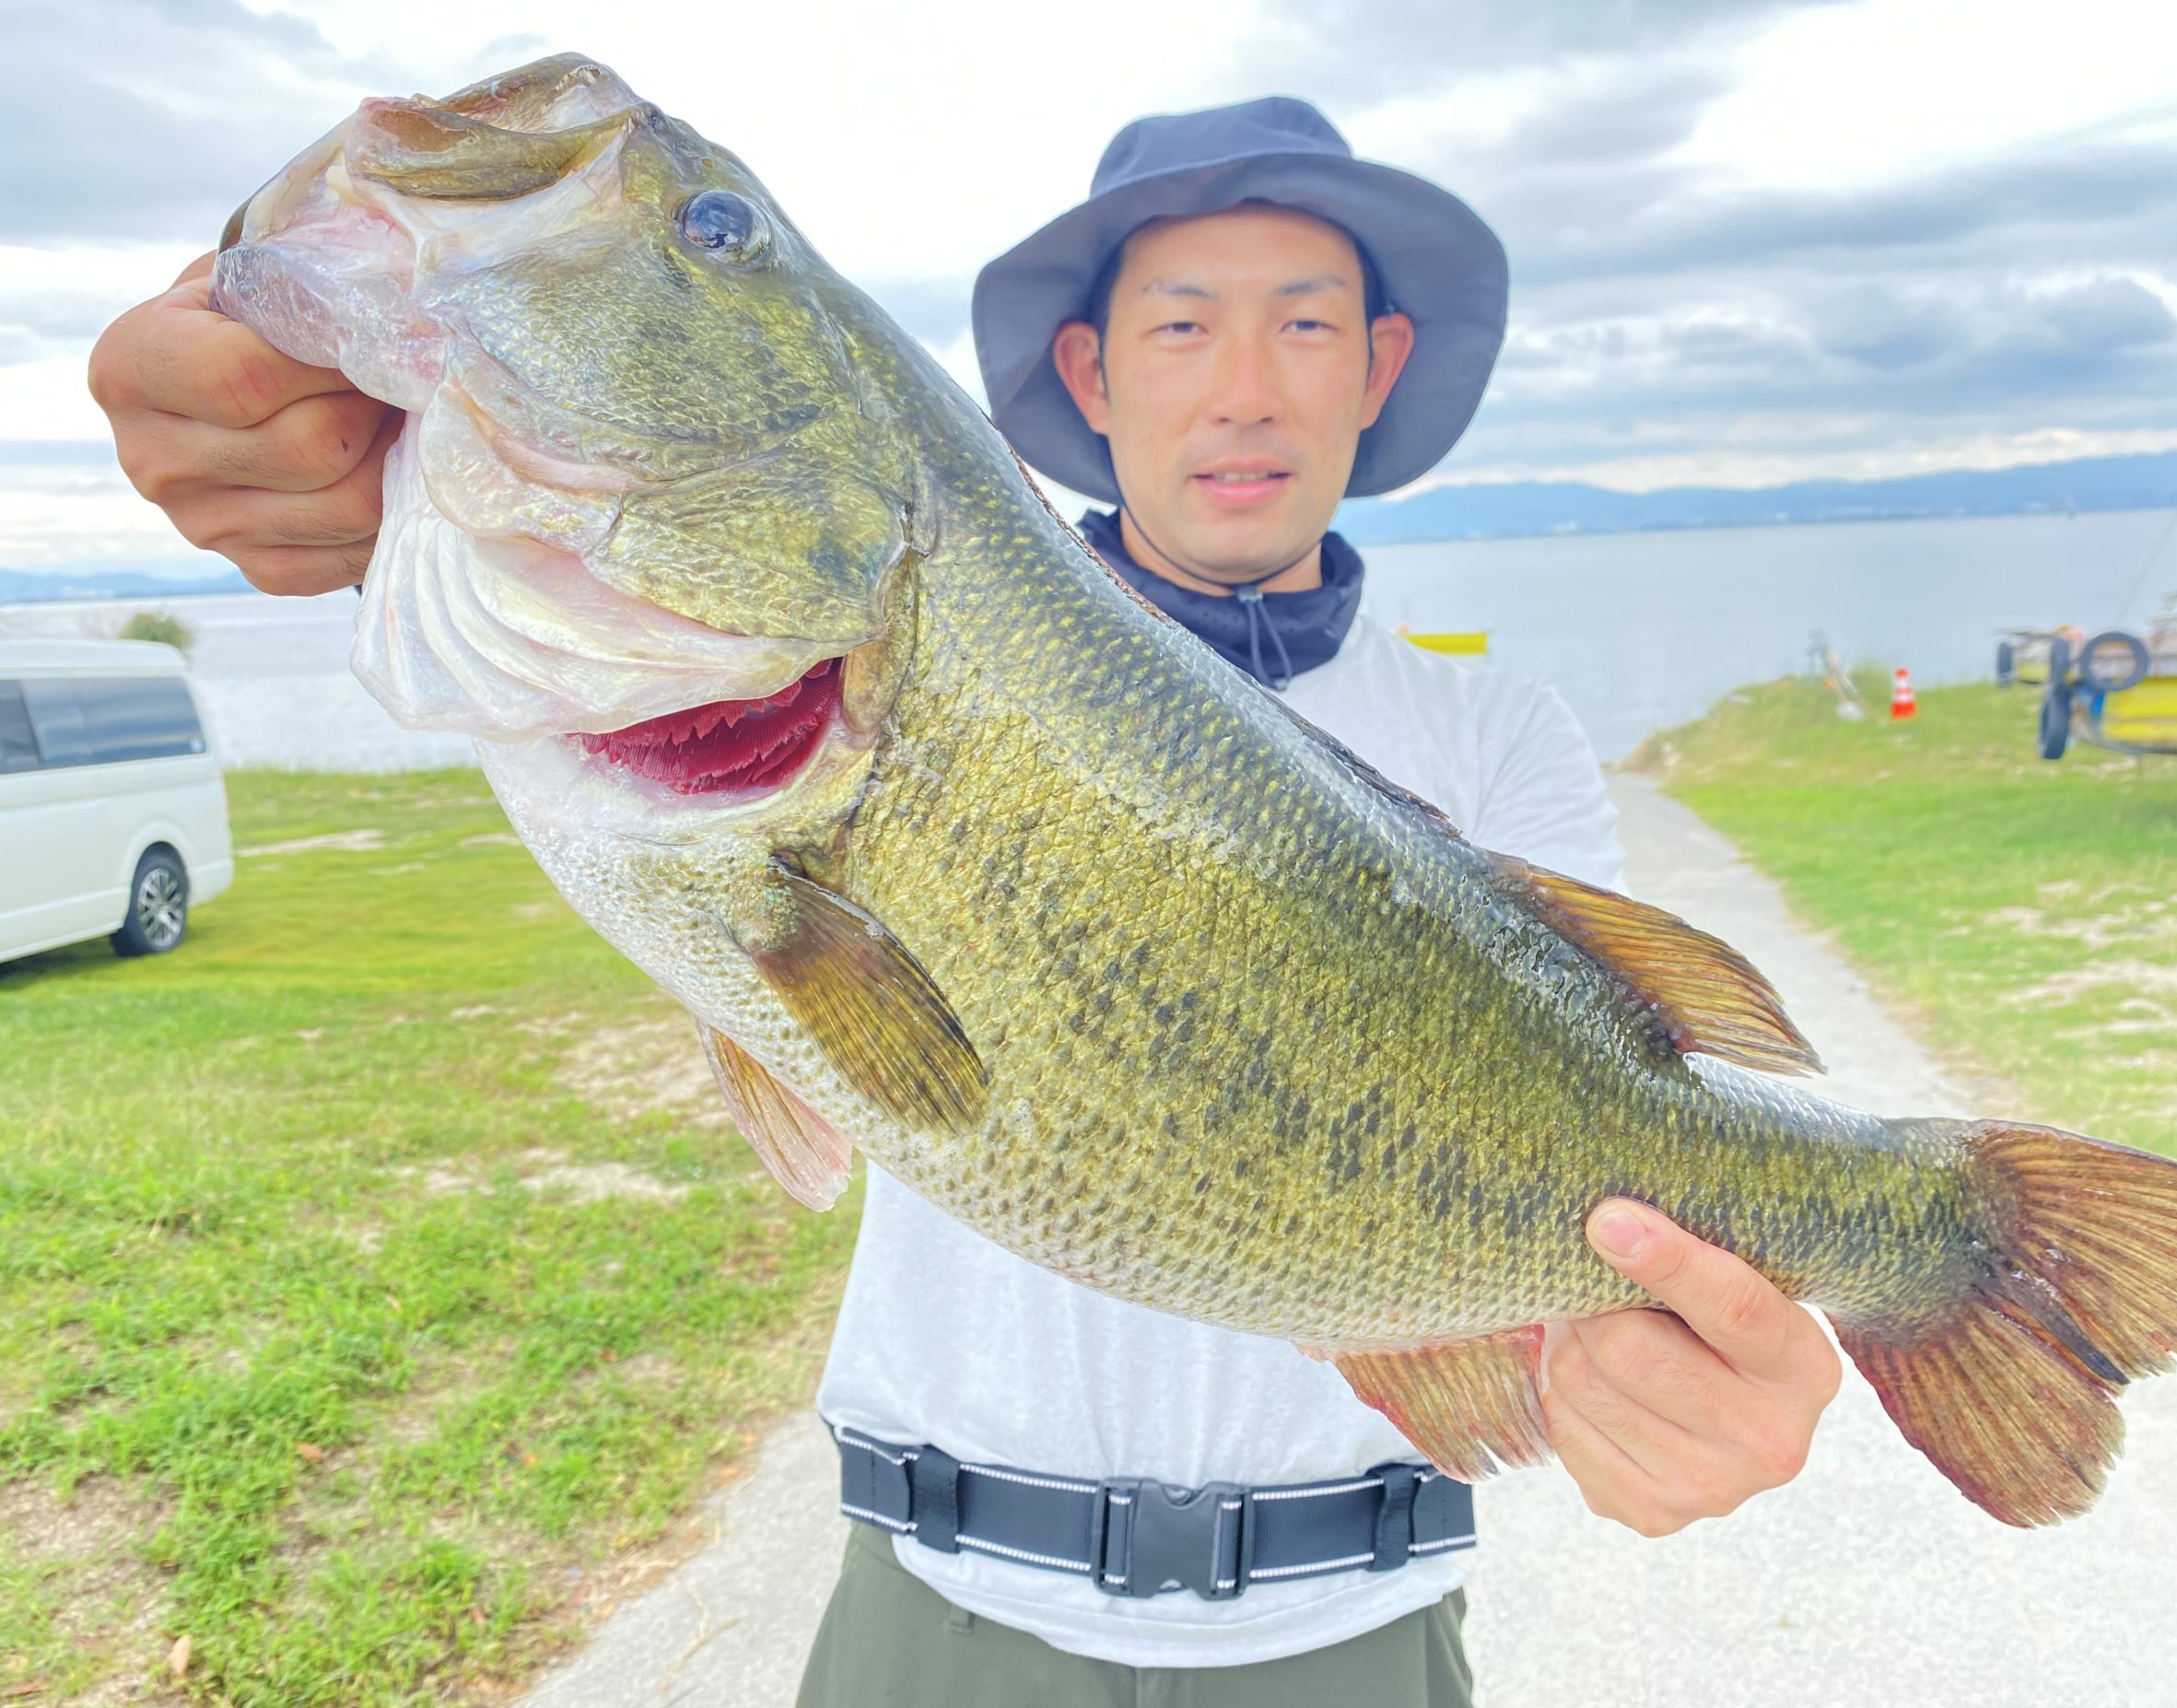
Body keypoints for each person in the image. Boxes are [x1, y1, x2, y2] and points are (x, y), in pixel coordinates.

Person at [90, 95, 1840, 1706]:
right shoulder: (841, 630)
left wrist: (1668, 1381)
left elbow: (1606, 1160)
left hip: (1352, 1634)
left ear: (1380, 364)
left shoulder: (1499, 735)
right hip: (937, 1615)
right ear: (1088, 368)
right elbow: (456, 491)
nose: (1246, 386)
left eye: (1306, 324)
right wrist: (289, 394)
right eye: (1183, 325)